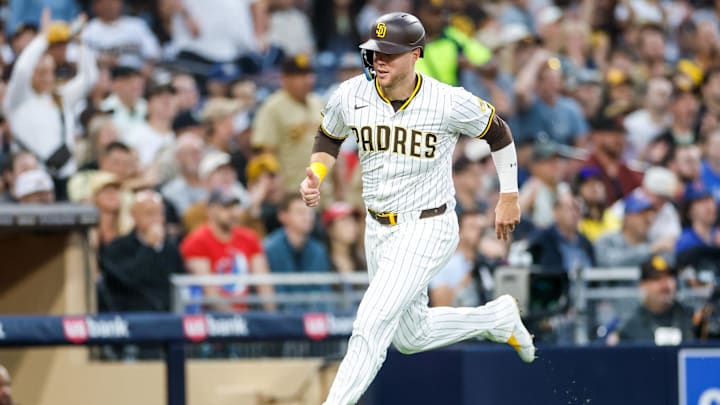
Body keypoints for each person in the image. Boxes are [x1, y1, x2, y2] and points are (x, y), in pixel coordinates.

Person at [298, 13, 535, 405]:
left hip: (428, 224)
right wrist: (317, 174)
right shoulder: (351, 94)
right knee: (410, 337)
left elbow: (499, 133)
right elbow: (329, 134)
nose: (379, 61)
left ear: (415, 55)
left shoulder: (447, 100)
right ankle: (497, 319)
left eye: (390, 53)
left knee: (371, 322)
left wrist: (508, 195)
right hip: (378, 229)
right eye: (374, 53)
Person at [3, 10, 98, 200]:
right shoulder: (17, 100)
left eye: (50, 72)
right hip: (33, 178)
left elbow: (89, 78)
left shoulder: (61, 97)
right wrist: (42, 39)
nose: (47, 78)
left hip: (66, 175)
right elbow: (21, 70)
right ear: (32, 73)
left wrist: (79, 43)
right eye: (41, 72)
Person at [180, 188, 275, 312]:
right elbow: (209, 292)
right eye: (226, 207)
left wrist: (272, 316)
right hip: (211, 317)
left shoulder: (249, 238)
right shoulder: (196, 242)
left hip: (246, 313)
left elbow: (263, 282)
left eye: (236, 207)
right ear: (210, 210)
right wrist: (235, 320)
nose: (234, 213)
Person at [99, 190, 185, 312]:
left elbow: (179, 283)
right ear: (134, 215)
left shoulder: (171, 249)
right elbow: (128, 279)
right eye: (149, 213)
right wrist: (148, 248)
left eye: (160, 214)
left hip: (168, 317)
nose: (156, 219)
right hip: (132, 318)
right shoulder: (117, 248)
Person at [263, 193, 333, 312]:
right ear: (283, 216)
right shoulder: (270, 248)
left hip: (314, 319)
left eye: (310, 212)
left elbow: (322, 293)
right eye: (300, 212)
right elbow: (277, 296)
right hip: (281, 321)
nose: (308, 217)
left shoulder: (318, 250)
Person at [609, 256, 695, 345]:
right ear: (643, 285)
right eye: (657, 278)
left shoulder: (692, 318)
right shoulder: (628, 324)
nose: (665, 284)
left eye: (669, 277)